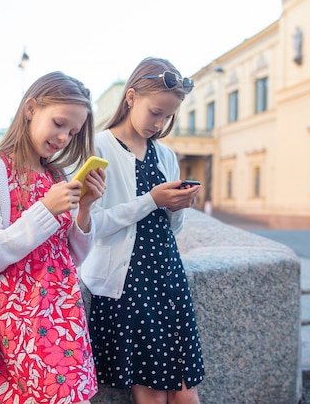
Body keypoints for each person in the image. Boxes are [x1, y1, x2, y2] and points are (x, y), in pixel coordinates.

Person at [0, 71, 106, 404]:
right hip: (19, 328)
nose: (65, 137)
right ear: (30, 108)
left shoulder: (56, 175)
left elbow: (69, 259)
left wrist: (84, 210)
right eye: (59, 123)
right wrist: (46, 210)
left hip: (64, 320)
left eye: (73, 131)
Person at [81, 57, 204, 404]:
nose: (160, 123)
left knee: (186, 392)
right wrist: (151, 200)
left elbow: (172, 228)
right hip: (127, 285)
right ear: (131, 97)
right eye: (155, 112)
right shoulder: (99, 147)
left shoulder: (165, 155)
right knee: (151, 395)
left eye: (168, 116)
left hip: (168, 276)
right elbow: (91, 225)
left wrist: (178, 206)